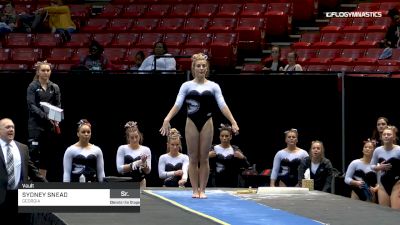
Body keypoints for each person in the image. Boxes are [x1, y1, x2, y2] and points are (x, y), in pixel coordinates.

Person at [160, 52, 239, 198]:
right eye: (198, 66)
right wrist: (167, 118)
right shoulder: (186, 86)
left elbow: (223, 105)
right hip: (191, 122)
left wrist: (233, 121)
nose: (201, 68)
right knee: (193, 158)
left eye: (203, 66)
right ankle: (194, 190)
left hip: (207, 122)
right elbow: (177, 104)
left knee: (204, 158)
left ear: (207, 68)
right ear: (193, 68)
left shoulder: (214, 86)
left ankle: (202, 190)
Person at [0, 118, 46, 224]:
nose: (11, 129)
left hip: (19, 198)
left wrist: (48, 187)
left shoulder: (22, 148)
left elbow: (33, 171)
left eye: (13, 127)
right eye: (7, 127)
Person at [27, 60, 61, 179]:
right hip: (35, 126)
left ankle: (42, 182)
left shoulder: (54, 87)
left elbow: (58, 105)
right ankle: (31, 180)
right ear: (38, 72)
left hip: (49, 126)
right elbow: (31, 105)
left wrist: (56, 117)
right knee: (34, 153)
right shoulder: (32, 86)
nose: (46, 72)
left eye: (48, 70)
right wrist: (45, 116)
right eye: (43, 70)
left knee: (46, 155)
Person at [370, 126, 400, 209]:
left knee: (396, 212)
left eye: (389, 134)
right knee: (384, 212)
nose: (386, 136)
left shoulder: (398, 150)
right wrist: (379, 168)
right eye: (384, 134)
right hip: (383, 184)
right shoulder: (378, 150)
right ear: (381, 137)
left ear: (394, 137)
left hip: (397, 184)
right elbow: (372, 166)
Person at [116, 121, 151, 188]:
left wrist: (144, 164)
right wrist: (133, 164)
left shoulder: (146, 149)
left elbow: (148, 171)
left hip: (141, 183)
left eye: (136, 136)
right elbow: (119, 169)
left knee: (141, 198)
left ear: (140, 135)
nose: (135, 140)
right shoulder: (122, 148)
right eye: (132, 138)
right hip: (125, 183)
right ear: (128, 138)